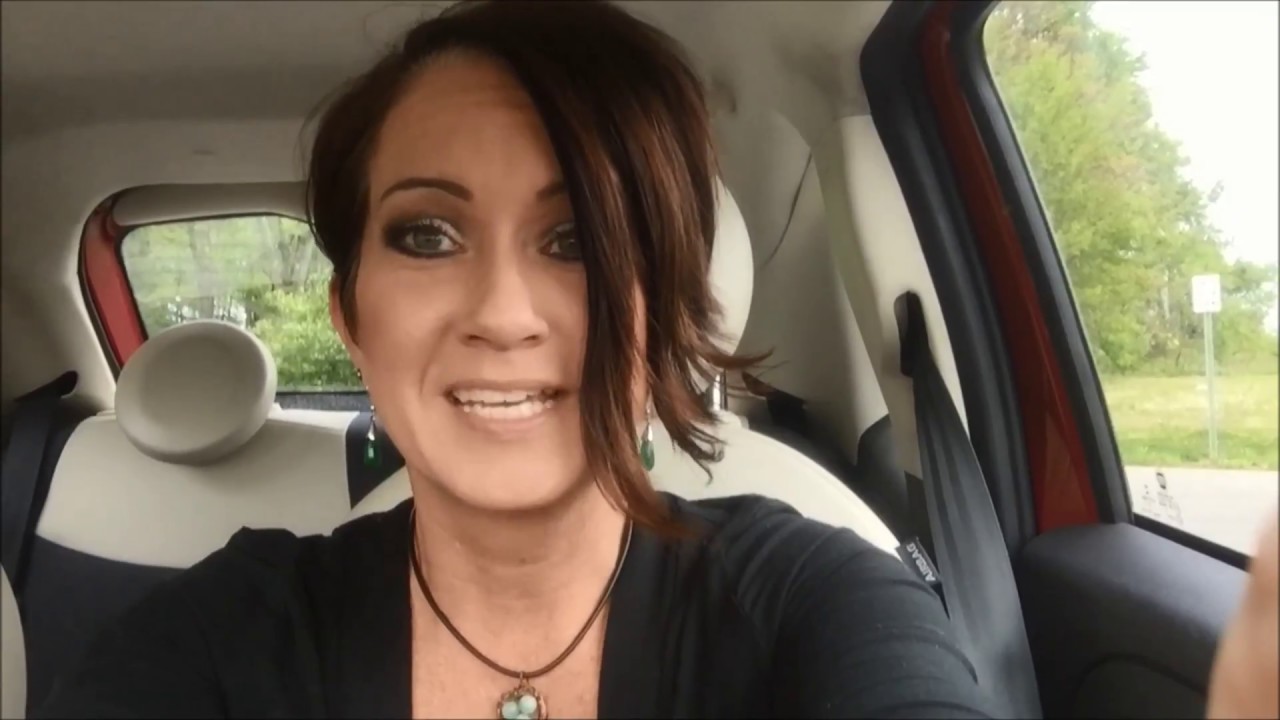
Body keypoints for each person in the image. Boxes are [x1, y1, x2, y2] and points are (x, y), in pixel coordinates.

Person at [32, 2, 1279, 719]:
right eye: (425, 234)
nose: (502, 311)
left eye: (578, 239)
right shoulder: (220, 640)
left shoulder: (817, 604)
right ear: (351, 316)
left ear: (667, 310)